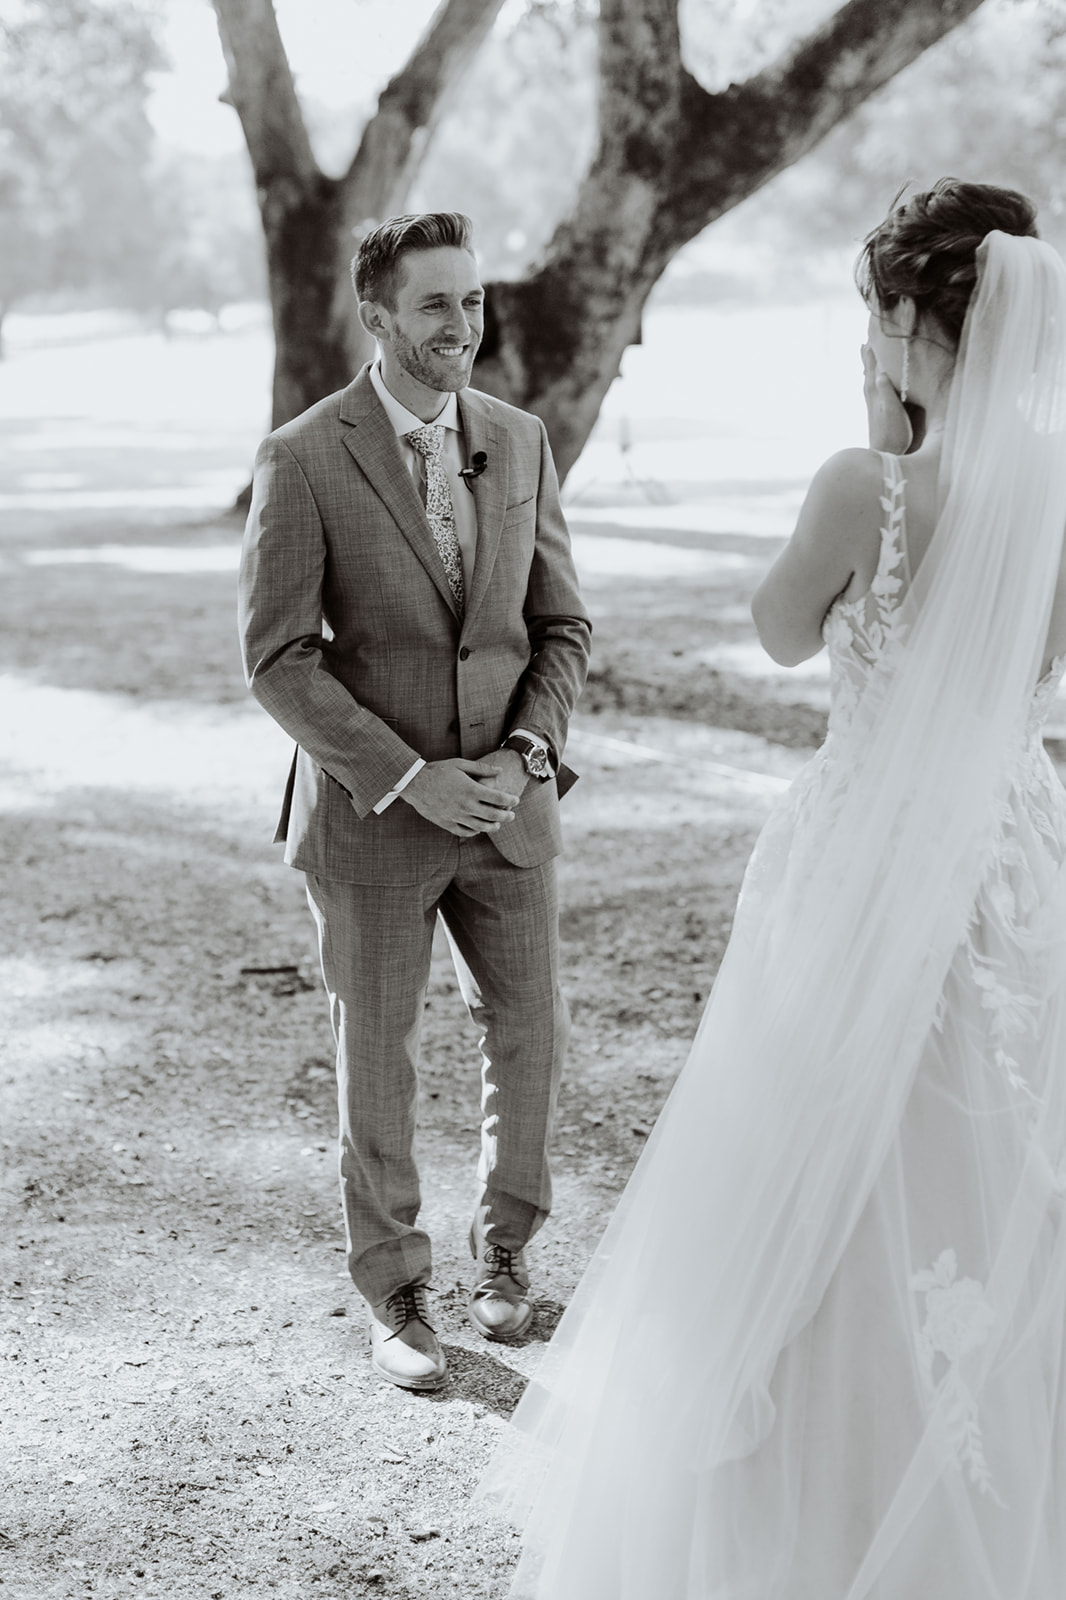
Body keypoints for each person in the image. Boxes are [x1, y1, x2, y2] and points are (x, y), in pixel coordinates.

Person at [479, 180, 1066, 1598]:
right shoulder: (1055, 490)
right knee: (992, 1149)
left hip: (867, 848)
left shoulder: (864, 484)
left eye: (871, 315)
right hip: (1011, 844)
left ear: (911, 321)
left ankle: (805, 1503)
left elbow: (781, 630)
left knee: (818, 1153)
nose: (862, 341)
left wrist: (877, 446)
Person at [238, 212, 591, 1393]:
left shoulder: (521, 437)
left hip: (507, 806)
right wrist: (406, 774)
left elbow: (561, 626)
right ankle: (394, 1288)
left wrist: (530, 749)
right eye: (436, 305)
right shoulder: (301, 455)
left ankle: (508, 1256)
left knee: (529, 1037)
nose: (463, 327)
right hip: (373, 815)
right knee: (375, 1054)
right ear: (377, 316)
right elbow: (278, 657)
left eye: (474, 302)